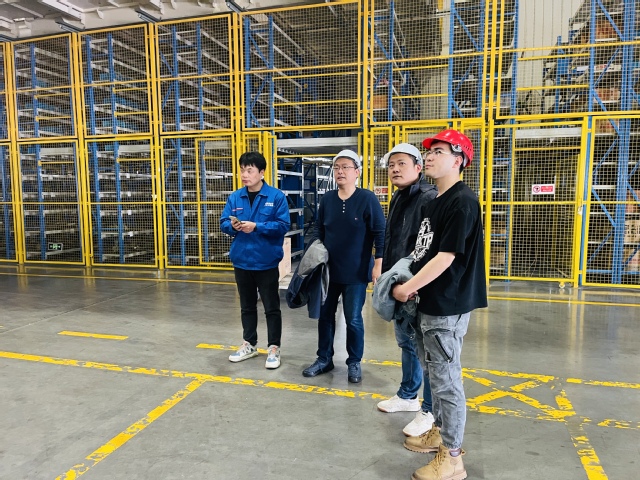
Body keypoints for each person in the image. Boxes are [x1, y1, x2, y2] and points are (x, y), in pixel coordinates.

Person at [392, 130, 487, 480]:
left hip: (448, 305)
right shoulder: (435, 202)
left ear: (459, 160)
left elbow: (446, 258)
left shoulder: (463, 201)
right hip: (428, 301)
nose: (429, 156)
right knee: (434, 372)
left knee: (447, 380)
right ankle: (441, 433)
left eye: (439, 151)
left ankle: (453, 457)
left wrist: (408, 287)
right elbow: (424, 252)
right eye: (429, 151)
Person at [302, 149, 385, 383]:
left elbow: (380, 233)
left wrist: (378, 265)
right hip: (328, 271)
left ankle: (354, 362)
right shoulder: (328, 199)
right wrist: (313, 254)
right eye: (337, 167)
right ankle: (324, 359)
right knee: (325, 316)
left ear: (357, 172)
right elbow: (319, 228)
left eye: (346, 167)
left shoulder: (367, 199)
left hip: (356, 272)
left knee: (353, 319)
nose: (340, 171)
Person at [375, 143, 438, 438]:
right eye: (391, 165)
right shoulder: (399, 197)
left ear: (418, 167)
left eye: (402, 163)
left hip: (416, 285)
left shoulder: (429, 197)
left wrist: (413, 283)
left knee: (425, 349)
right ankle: (408, 395)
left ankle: (430, 410)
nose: (395, 169)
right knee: (407, 341)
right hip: (399, 282)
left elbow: (427, 247)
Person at [220, 151, 290, 369]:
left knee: (271, 307)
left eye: (249, 170)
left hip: (266, 261)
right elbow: (223, 222)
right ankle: (249, 344)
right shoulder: (235, 197)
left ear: (261, 172)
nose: (244, 175)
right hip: (242, 261)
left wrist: (257, 226)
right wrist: (232, 226)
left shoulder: (275, 197)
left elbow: (283, 225)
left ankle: (274, 347)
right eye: (242, 170)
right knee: (247, 306)